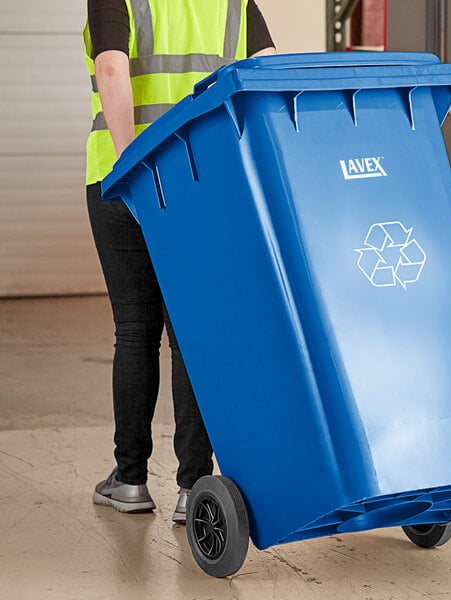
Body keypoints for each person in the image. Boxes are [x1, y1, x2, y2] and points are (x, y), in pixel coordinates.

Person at [84, 0, 276, 523]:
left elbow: (110, 67)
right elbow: (267, 71)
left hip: (121, 178)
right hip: (205, 178)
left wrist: (132, 170)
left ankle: (129, 480)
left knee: (135, 330)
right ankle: (195, 487)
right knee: (192, 332)